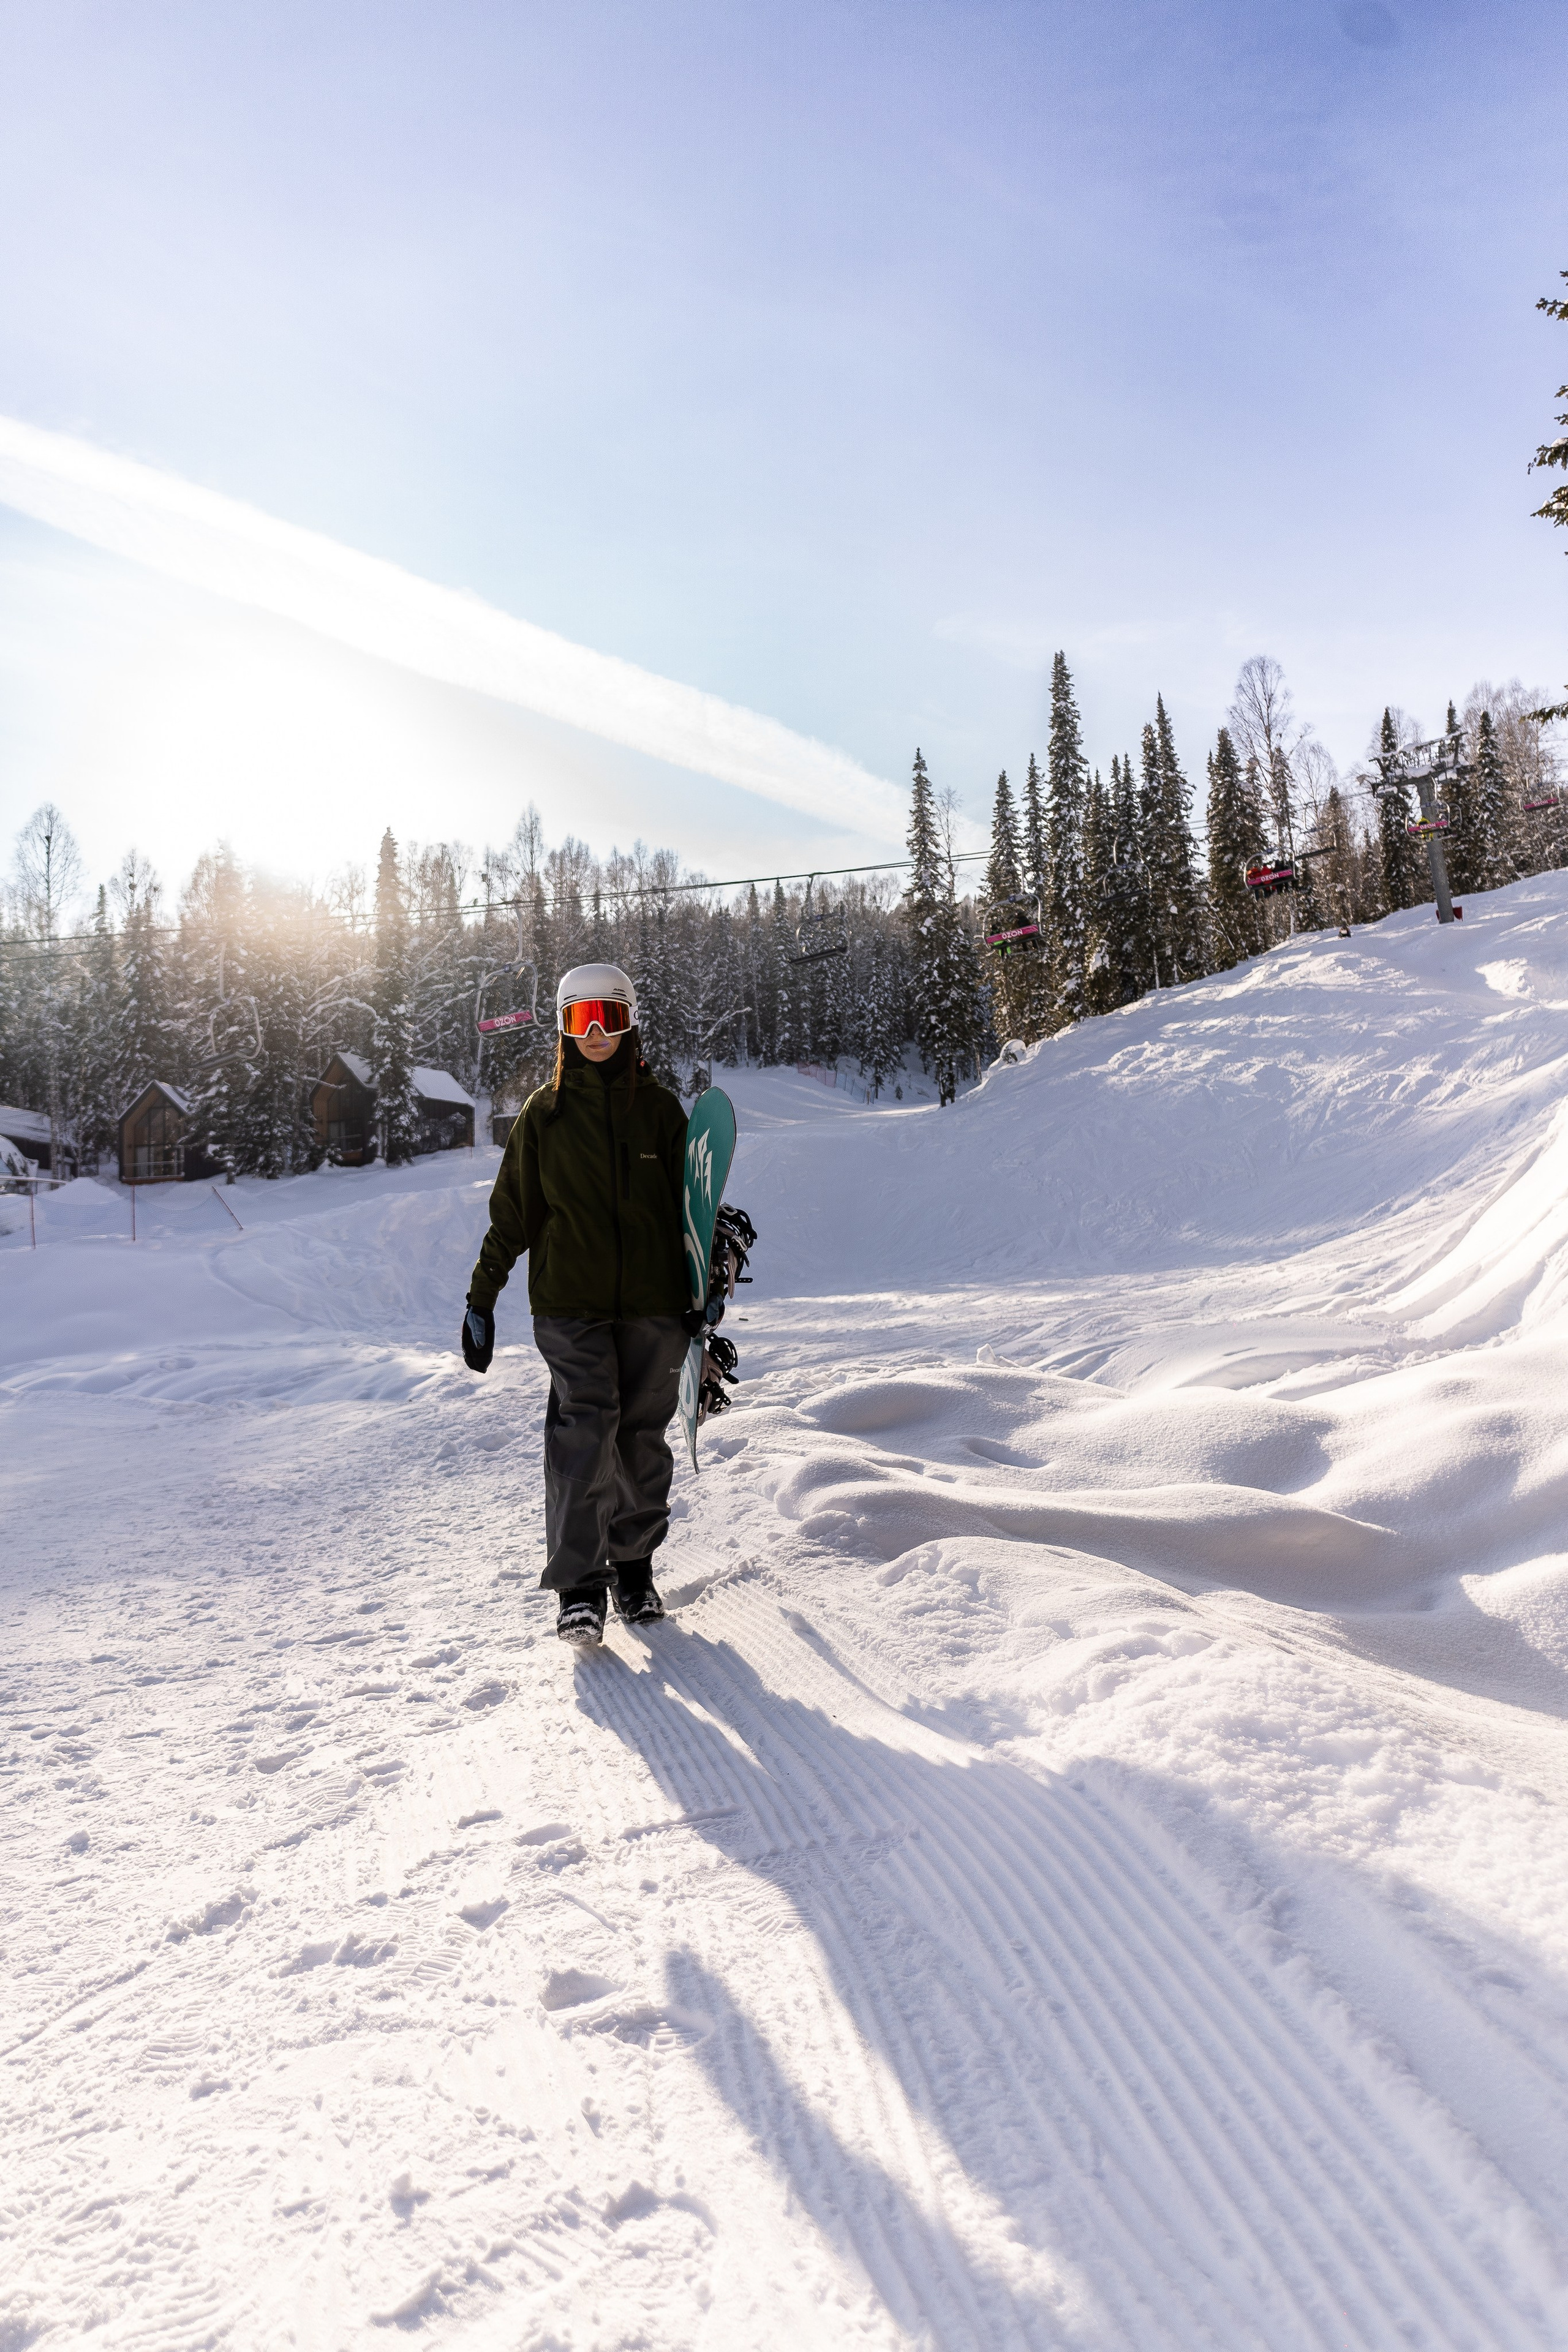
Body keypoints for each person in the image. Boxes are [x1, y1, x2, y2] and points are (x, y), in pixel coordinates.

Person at [459, 963, 696, 1646]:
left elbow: (692, 1209)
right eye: (582, 1018)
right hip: (569, 1305)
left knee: (640, 1440)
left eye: (610, 1018)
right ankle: (579, 1588)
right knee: (584, 1434)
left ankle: (634, 1570)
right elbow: (512, 1216)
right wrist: (483, 1297)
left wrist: (705, 1282)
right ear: (563, 1027)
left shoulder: (659, 1111)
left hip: (655, 1302)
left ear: (630, 1024)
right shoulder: (545, 1115)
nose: (596, 1033)